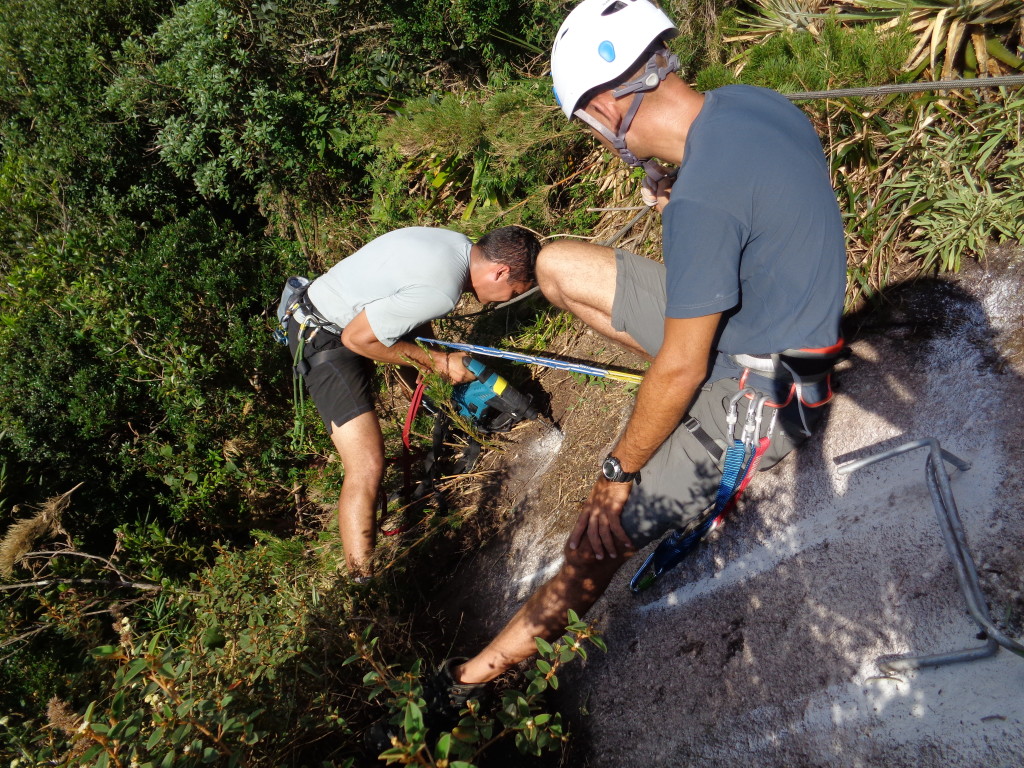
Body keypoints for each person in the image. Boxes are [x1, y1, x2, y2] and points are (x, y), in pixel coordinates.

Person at [428, 0, 847, 712]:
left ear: (606, 102)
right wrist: (675, 204)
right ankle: (667, 417)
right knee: (558, 264)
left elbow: (684, 363)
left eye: (585, 121)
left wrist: (618, 472)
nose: (594, 137)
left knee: (599, 535)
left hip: (766, 392)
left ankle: (468, 685)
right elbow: (753, 207)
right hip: (758, 318)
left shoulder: (701, 207)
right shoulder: (749, 105)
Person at [287, 225, 540, 580]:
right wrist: (438, 362)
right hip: (324, 338)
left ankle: (446, 414)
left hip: (334, 311)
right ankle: (363, 583)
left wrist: (432, 360)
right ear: (499, 271)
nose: (501, 300)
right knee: (366, 464)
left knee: (428, 358)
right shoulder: (443, 290)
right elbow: (356, 338)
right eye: (510, 291)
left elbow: (411, 307)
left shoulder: (456, 245)